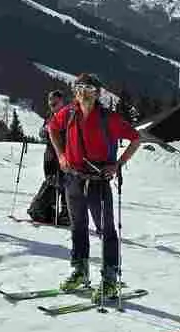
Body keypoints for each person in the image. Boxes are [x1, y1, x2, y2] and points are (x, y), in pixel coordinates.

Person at [47, 73, 141, 299]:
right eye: (78, 87)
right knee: (77, 227)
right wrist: (61, 155)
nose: (82, 92)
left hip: (98, 181)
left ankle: (109, 278)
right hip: (73, 178)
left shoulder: (108, 118)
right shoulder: (68, 113)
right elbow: (52, 128)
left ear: (97, 92)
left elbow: (136, 138)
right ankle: (79, 271)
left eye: (87, 88)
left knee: (105, 230)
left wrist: (118, 164)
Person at [26, 90, 71, 225]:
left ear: (62, 102)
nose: (52, 106)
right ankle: (49, 211)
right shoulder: (50, 116)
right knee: (51, 181)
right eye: (50, 104)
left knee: (65, 184)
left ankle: (66, 214)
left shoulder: (68, 116)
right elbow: (42, 132)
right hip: (50, 155)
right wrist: (47, 130)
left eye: (55, 103)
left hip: (64, 156)